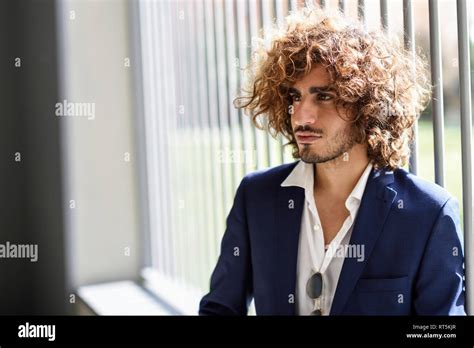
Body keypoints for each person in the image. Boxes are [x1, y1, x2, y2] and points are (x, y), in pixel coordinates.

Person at [199, 7, 465, 315]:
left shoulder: (429, 214)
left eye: (323, 96)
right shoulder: (256, 196)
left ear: (367, 105)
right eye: (295, 97)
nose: (301, 115)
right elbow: (220, 308)